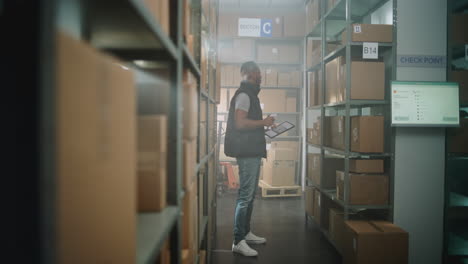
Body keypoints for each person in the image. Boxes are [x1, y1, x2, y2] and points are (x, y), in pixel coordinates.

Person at [224, 61, 275, 257]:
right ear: (248, 74)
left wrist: (265, 125)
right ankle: (238, 240)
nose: (260, 75)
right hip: (247, 152)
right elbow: (240, 123)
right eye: (257, 72)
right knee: (245, 197)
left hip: (252, 151)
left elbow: (248, 123)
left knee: (250, 196)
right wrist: (263, 122)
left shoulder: (250, 95)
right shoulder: (244, 95)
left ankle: (246, 233)